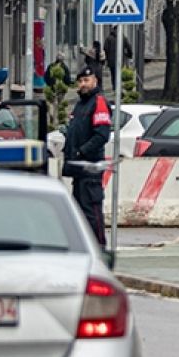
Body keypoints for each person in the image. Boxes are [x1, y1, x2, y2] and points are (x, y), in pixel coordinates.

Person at [63, 66, 112, 248]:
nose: (83, 84)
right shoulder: (81, 103)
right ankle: (86, 248)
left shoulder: (98, 102)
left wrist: (81, 151)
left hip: (90, 167)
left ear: (95, 82)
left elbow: (101, 135)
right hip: (79, 169)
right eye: (81, 81)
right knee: (80, 213)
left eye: (87, 80)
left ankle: (99, 249)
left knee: (92, 212)